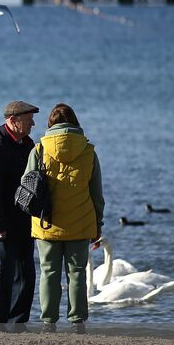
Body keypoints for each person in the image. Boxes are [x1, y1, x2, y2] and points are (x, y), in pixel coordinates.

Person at [25, 102, 103, 330]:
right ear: (75, 122)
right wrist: (98, 224)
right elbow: (96, 193)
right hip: (80, 222)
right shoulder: (88, 151)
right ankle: (78, 320)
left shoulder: (39, 149)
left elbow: (28, 184)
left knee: (49, 272)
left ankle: (49, 321)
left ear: (50, 123)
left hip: (46, 223)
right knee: (77, 272)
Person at [0, 100, 39, 327]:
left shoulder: (26, 144)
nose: (33, 123)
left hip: (25, 220)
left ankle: (19, 321)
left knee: (26, 276)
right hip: (4, 222)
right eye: (28, 119)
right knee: (3, 275)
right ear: (13, 121)